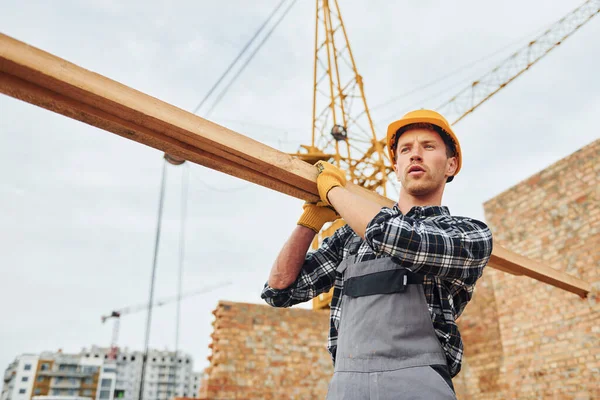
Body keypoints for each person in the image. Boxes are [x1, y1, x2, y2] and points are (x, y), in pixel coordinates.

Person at [261, 109, 493, 399]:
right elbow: (280, 290)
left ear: (451, 165)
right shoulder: (350, 237)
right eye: (405, 150)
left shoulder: (469, 234)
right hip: (347, 386)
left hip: (418, 385)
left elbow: (398, 239)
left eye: (428, 147)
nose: (415, 155)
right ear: (396, 168)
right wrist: (310, 222)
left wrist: (333, 192)